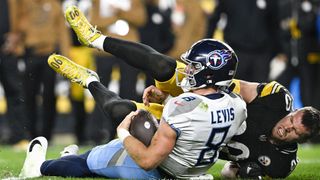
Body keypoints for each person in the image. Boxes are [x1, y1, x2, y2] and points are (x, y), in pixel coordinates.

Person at [65, 5, 319, 179]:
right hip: (209, 96)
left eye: (296, 132)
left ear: (303, 140)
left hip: (189, 135)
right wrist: (199, 87)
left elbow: (229, 171)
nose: (288, 127)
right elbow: (237, 87)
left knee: (124, 114)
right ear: (292, 110)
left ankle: (90, 82)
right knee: (163, 66)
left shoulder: (282, 165)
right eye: (291, 120)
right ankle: (95, 39)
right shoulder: (274, 100)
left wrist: (243, 174)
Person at [19, 5, 247, 179]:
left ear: (209, 74)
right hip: (195, 171)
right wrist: (167, 98)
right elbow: (200, 117)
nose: (188, 70)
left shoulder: (184, 106)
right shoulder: (236, 105)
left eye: (194, 67)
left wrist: (124, 133)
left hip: (159, 170)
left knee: (90, 162)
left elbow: (148, 161)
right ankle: (92, 66)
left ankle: (37, 167)